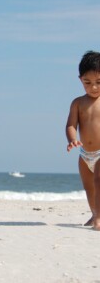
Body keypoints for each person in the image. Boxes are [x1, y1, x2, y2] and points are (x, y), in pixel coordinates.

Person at [66, 50, 100, 230]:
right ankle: (94, 214)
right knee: (89, 188)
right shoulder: (78, 103)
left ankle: (99, 218)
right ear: (80, 80)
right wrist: (72, 140)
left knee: (99, 181)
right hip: (85, 154)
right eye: (88, 83)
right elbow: (71, 125)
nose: (93, 87)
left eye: (98, 82)